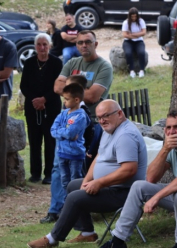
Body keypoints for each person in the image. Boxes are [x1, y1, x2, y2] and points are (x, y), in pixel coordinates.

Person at [27, 100, 147, 248]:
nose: (102, 120)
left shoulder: (125, 135)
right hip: (112, 187)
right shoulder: (110, 130)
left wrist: (99, 183)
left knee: (75, 198)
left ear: (120, 114)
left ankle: (52, 239)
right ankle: (87, 232)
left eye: (106, 116)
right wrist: (87, 180)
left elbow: (129, 170)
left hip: (125, 192)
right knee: (74, 185)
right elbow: (100, 157)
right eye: (99, 117)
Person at [41, 30, 113, 223]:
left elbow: (92, 97)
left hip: (91, 123)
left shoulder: (104, 67)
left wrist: (70, 85)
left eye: (88, 42)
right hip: (66, 121)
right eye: (80, 42)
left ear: (95, 44)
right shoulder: (72, 62)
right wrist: (79, 87)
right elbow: (57, 87)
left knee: (79, 167)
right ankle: (56, 209)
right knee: (58, 166)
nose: (83, 46)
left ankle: (79, 208)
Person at [90, 111, 177, 248]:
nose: (171, 131)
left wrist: (156, 197)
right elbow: (150, 178)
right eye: (168, 127)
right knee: (139, 186)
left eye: (176, 127)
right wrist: (165, 150)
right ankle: (117, 243)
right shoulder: (171, 149)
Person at [20, 33, 62, 184]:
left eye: (45, 44)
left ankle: (50, 173)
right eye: (39, 44)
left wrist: (44, 99)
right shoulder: (30, 62)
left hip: (51, 107)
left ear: (49, 46)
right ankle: (35, 173)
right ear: (35, 46)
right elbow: (23, 85)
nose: (42, 47)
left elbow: (59, 86)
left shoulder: (57, 63)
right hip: (32, 107)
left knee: (50, 141)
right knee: (34, 140)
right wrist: (35, 100)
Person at [51, 83, 90, 192]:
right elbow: (53, 130)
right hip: (62, 153)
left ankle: (77, 201)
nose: (64, 101)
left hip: (75, 155)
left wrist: (61, 132)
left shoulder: (81, 116)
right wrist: (64, 132)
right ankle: (67, 201)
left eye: (67, 99)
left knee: (75, 180)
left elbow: (70, 134)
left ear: (76, 100)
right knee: (64, 180)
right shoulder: (62, 114)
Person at [122, 7, 147, 78]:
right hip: (128, 41)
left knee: (141, 53)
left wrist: (132, 34)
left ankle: (141, 70)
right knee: (128, 53)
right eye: (132, 16)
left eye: (135, 16)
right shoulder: (126, 22)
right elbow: (124, 35)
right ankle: (131, 71)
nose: (134, 18)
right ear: (129, 16)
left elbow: (144, 32)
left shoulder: (141, 21)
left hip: (139, 41)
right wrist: (137, 34)